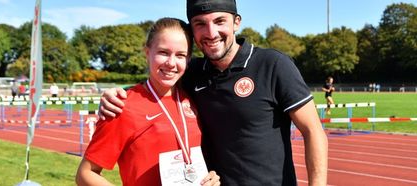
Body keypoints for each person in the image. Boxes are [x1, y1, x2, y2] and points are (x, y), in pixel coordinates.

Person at [98, 0, 328, 185]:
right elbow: (156, 82)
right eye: (200, 24)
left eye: (220, 21)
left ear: (236, 22)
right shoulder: (193, 72)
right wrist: (117, 95)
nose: (211, 32)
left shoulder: (272, 65)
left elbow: (313, 131)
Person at [75, 17, 220, 186]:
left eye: (180, 55)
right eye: (163, 52)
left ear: (188, 60)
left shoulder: (192, 100)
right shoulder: (122, 105)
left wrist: (210, 179)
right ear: (147, 52)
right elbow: (85, 174)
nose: (171, 63)